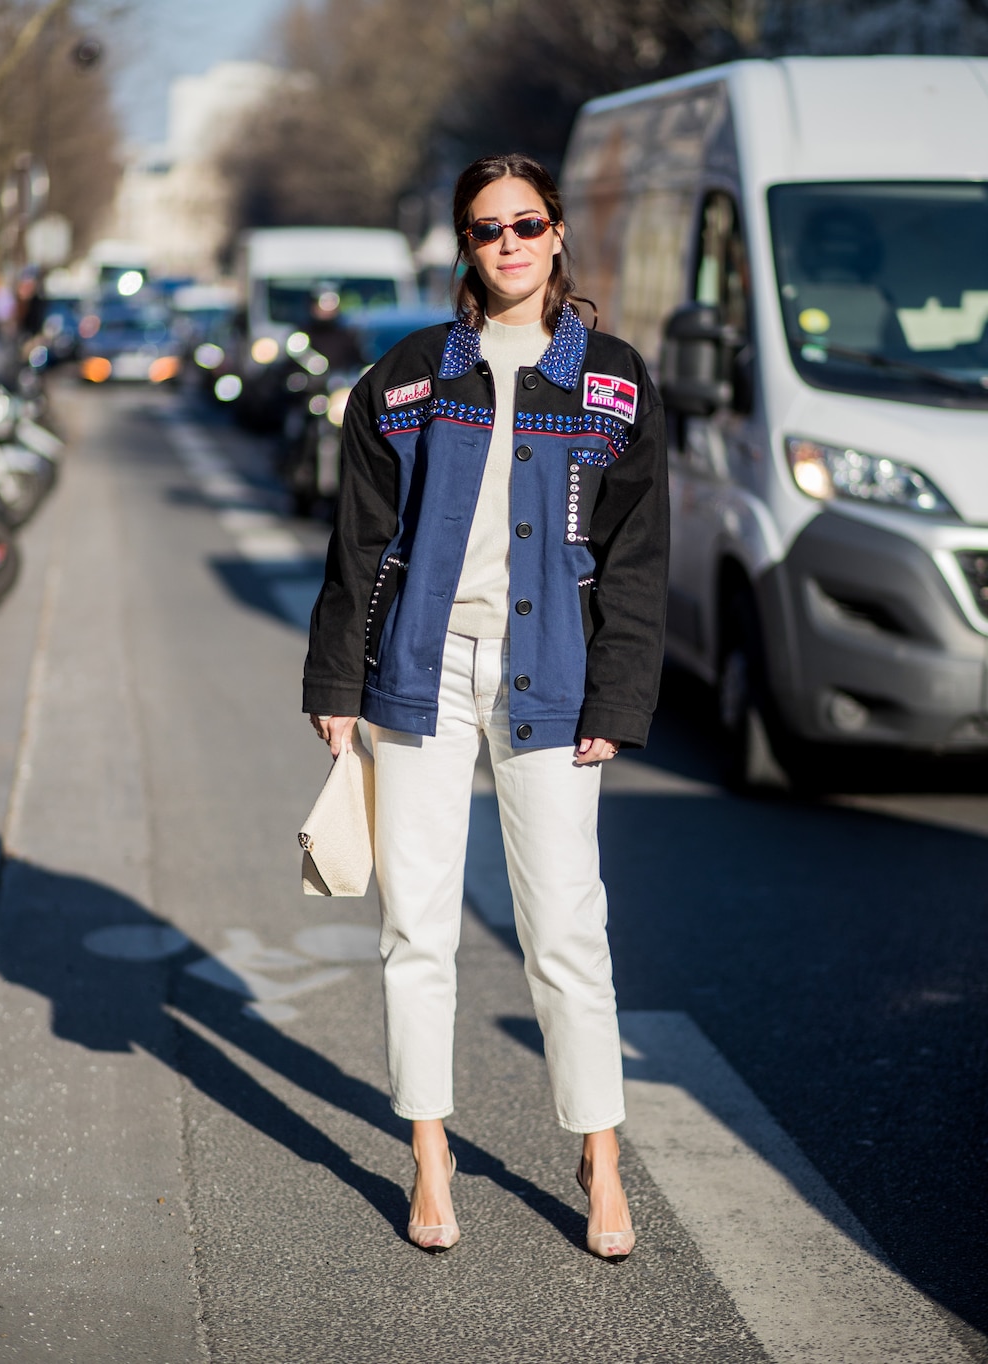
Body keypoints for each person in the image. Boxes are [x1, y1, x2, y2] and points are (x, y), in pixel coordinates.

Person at [303, 153, 668, 1259]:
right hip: (420, 670)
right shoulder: (408, 377)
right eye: (483, 229)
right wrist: (335, 683)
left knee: (565, 927)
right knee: (415, 926)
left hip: (551, 677)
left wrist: (618, 691)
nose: (505, 244)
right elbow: (356, 537)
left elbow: (639, 556)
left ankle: (598, 1157)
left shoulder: (612, 380)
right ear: (464, 247)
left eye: (524, 224)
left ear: (557, 234)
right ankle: (429, 1149)